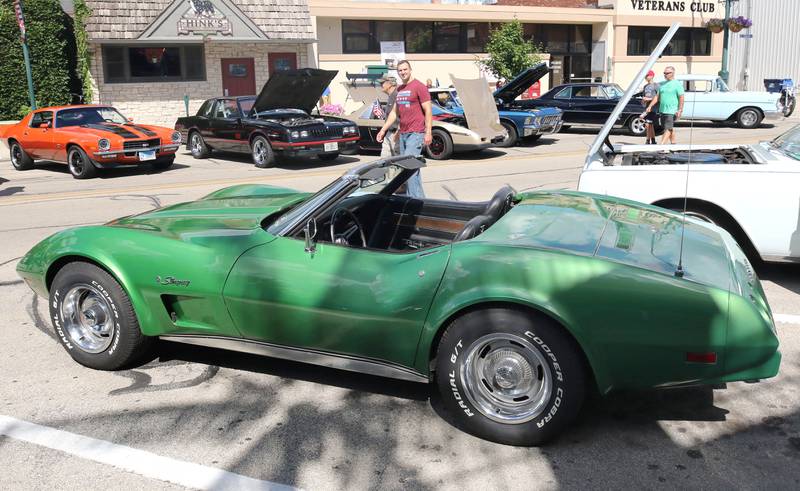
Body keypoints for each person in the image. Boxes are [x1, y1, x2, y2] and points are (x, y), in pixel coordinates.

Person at [376, 60, 432, 198]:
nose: (403, 72)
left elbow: (428, 111)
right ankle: (419, 201)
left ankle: (414, 201)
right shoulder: (400, 89)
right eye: (400, 70)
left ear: (410, 69)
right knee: (412, 170)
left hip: (416, 133)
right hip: (403, 134)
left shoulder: (419, 87)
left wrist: (428, 132)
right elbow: (395, 113)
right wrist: (383, 130)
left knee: (409, 167)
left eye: (405, 69)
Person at [641, 66, 684, 144]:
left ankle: (661, 145)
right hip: (662, 110)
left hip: (672, 111)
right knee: (668, 128)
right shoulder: (662, 84)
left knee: (668, 129)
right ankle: (673, 143)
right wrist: (650, 106)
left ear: (673, 73)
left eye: (667, 73)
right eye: (664, 73)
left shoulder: (677, 84)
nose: (665, 74)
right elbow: (657, 97)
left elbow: (681, 97)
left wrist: (680, 109)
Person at [377, 75, 399, 157]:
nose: (380, 85)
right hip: (388, 133)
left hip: (396, 134)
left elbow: (403, 116)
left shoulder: (397, 95)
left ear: (390, 84)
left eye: (382, 83)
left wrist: (398, 131)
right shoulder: (390, 96)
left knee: (398, 162)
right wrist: (383, 131)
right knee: (384, 160)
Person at [641, 70, 659, 144]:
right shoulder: (645, 86)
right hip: (647, 107)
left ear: (652, 76)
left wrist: (649, 99)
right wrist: (643, 101)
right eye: (645, 76)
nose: (646, 77)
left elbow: (659, 97)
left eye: (647, 75)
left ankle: (648, 140)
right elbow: (644, 96)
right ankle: (653, 140)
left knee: (648, 124)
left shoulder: (656, 85)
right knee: (650, 125)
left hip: (654, 108)